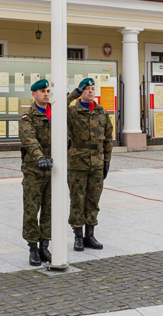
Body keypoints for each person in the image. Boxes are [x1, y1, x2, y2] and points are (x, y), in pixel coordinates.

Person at [67, 77, 113, 252]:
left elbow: (108, 139)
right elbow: (55, 109)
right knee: (77, 199)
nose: (91, 91)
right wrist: (72, 95)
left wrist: (107, 160)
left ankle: (90, 235)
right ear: (81, 92)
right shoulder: (72, 111)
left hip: (97, 162)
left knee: (93, 200)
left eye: (93, 88)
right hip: (77, 162)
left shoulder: (101, 112)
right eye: (87, 88)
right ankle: (78, 236)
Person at [19, 78, 54, 266]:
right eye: (42, 92)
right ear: (34, 94)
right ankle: (33, 248)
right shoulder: (28, 117)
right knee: (32, 210)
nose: (46, 94)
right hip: (34, 170)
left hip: (53, 171)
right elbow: (29, 139)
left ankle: (45, 247)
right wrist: (39, 157)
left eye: (48, 91)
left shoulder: (55, 114)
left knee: (49, 210)